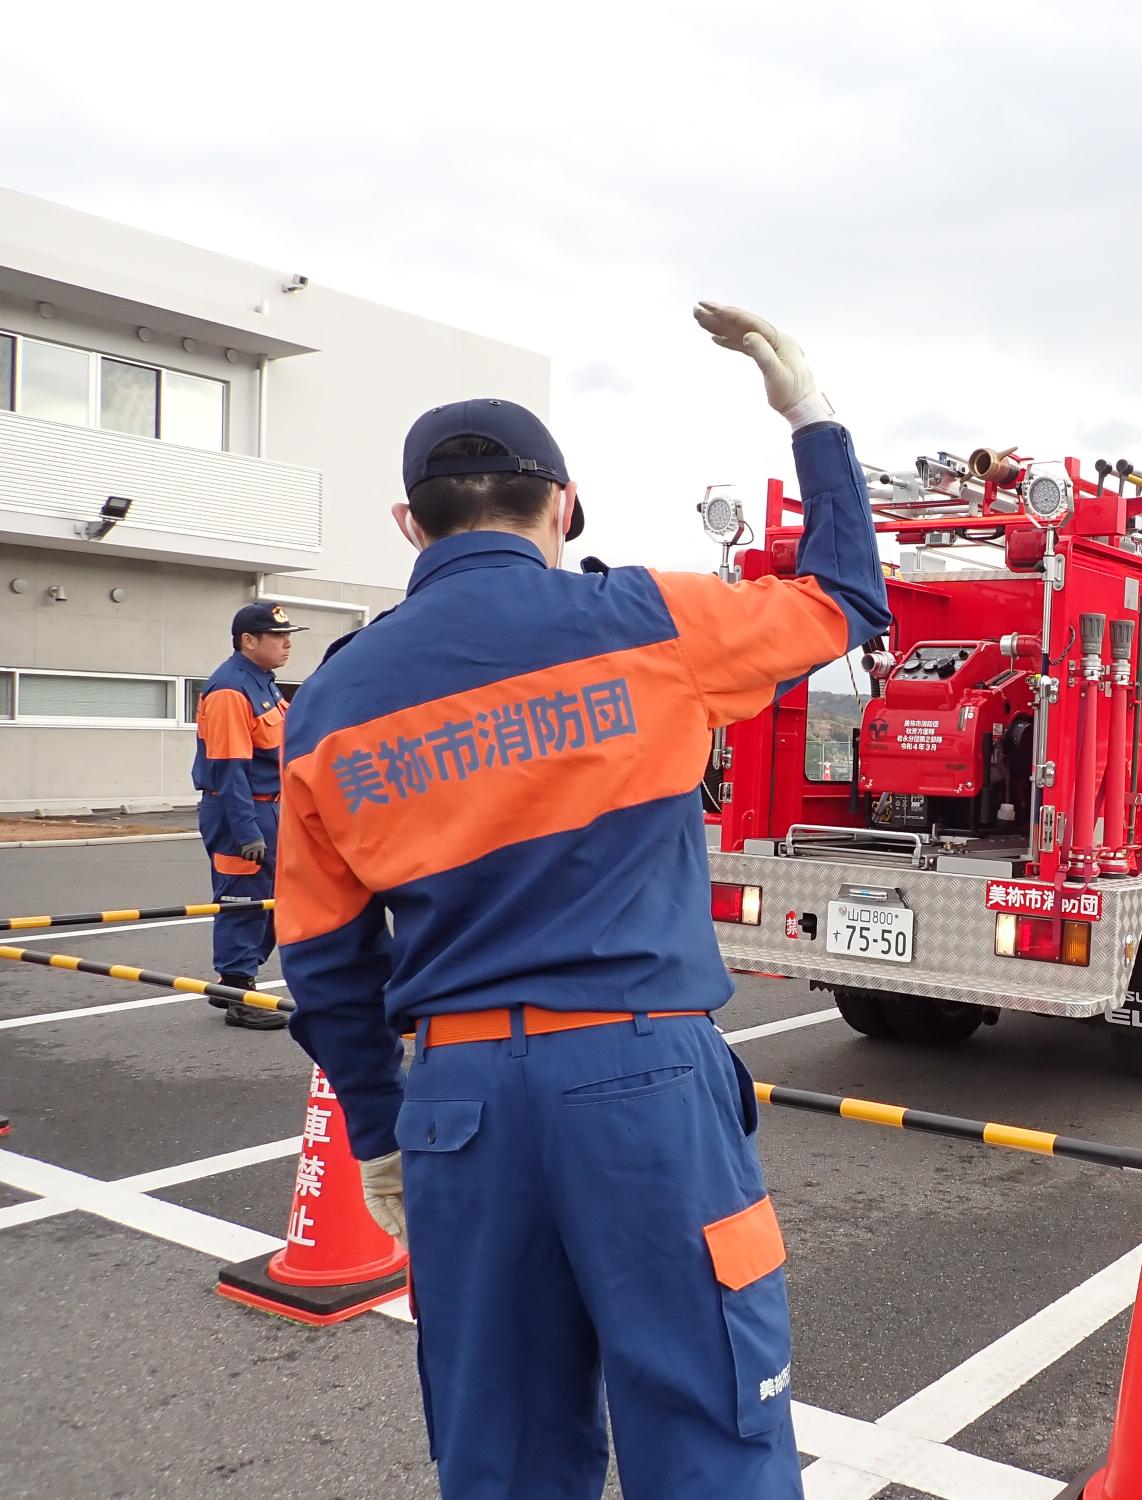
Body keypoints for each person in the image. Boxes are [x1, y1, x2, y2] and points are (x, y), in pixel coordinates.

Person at [276, 303, 891, 1500]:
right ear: (562, 505)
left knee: (500, 1452)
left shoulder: (330, 701)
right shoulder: (644, 622)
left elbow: (322, 957)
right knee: (709, 1429)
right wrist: (807, 413)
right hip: (641, 1081)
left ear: (410, 523)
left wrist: (376, 1126)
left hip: (457, 1109)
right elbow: (843, 600)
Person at [191, 602, 304, 1030]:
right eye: (277, 635)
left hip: (270, 806)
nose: (287, 642)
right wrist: (247, 831)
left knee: (274, 901)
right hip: (241, 808)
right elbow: (229, 767)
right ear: (248, 641)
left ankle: (237, 981)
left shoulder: (263, 683)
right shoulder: (230, 690)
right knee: (244, 900)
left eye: (288, 634)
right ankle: (238, 992)